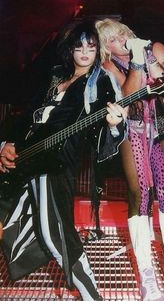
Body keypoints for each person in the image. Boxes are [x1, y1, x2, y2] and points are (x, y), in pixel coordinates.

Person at [0, 21, 128, 301]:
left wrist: (114, 124)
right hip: (25, 160)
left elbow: (108, 127)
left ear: (98, 52)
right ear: (69, 49)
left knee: (55, 236)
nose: (84, 52)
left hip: (55, 165)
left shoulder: (100, 82)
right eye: (79, 46)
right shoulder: (56, 77)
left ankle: (92, 296)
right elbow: (25, 116)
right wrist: (6, 144)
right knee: (19, 220)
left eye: (91, 48)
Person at [95, 18, 164, 301]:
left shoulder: (155, 48)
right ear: (104, 48)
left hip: (161, 126)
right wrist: (136, 60)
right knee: (139, 195)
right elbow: (129, 93)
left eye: (121, 32)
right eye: (110, 39)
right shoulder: (108, 65)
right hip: (131, 129)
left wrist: (147, 57)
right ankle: (146, 273)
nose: (119, 39)